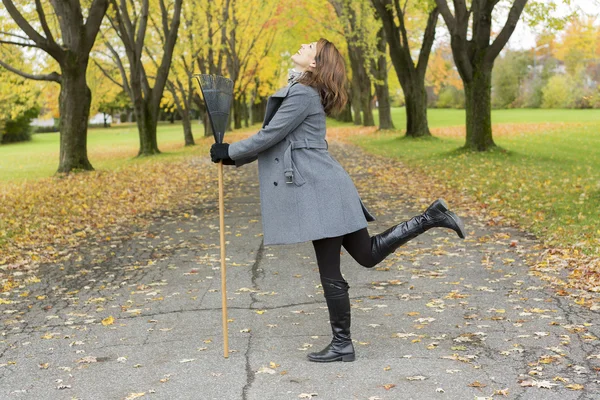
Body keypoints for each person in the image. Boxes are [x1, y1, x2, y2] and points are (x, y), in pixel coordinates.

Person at [210, 38, 466, 363]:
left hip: (322, 191)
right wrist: (233, 158)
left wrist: (230, 152)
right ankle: (430, 217)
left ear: (315, 64)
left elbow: (269, 136)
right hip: (328, 185)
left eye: (310, 47)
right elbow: (278, 138)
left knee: (331, 269)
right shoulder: (303, 90)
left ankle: (342, 344)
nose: (302, 45)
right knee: (367, 254)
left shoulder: (302, 93)